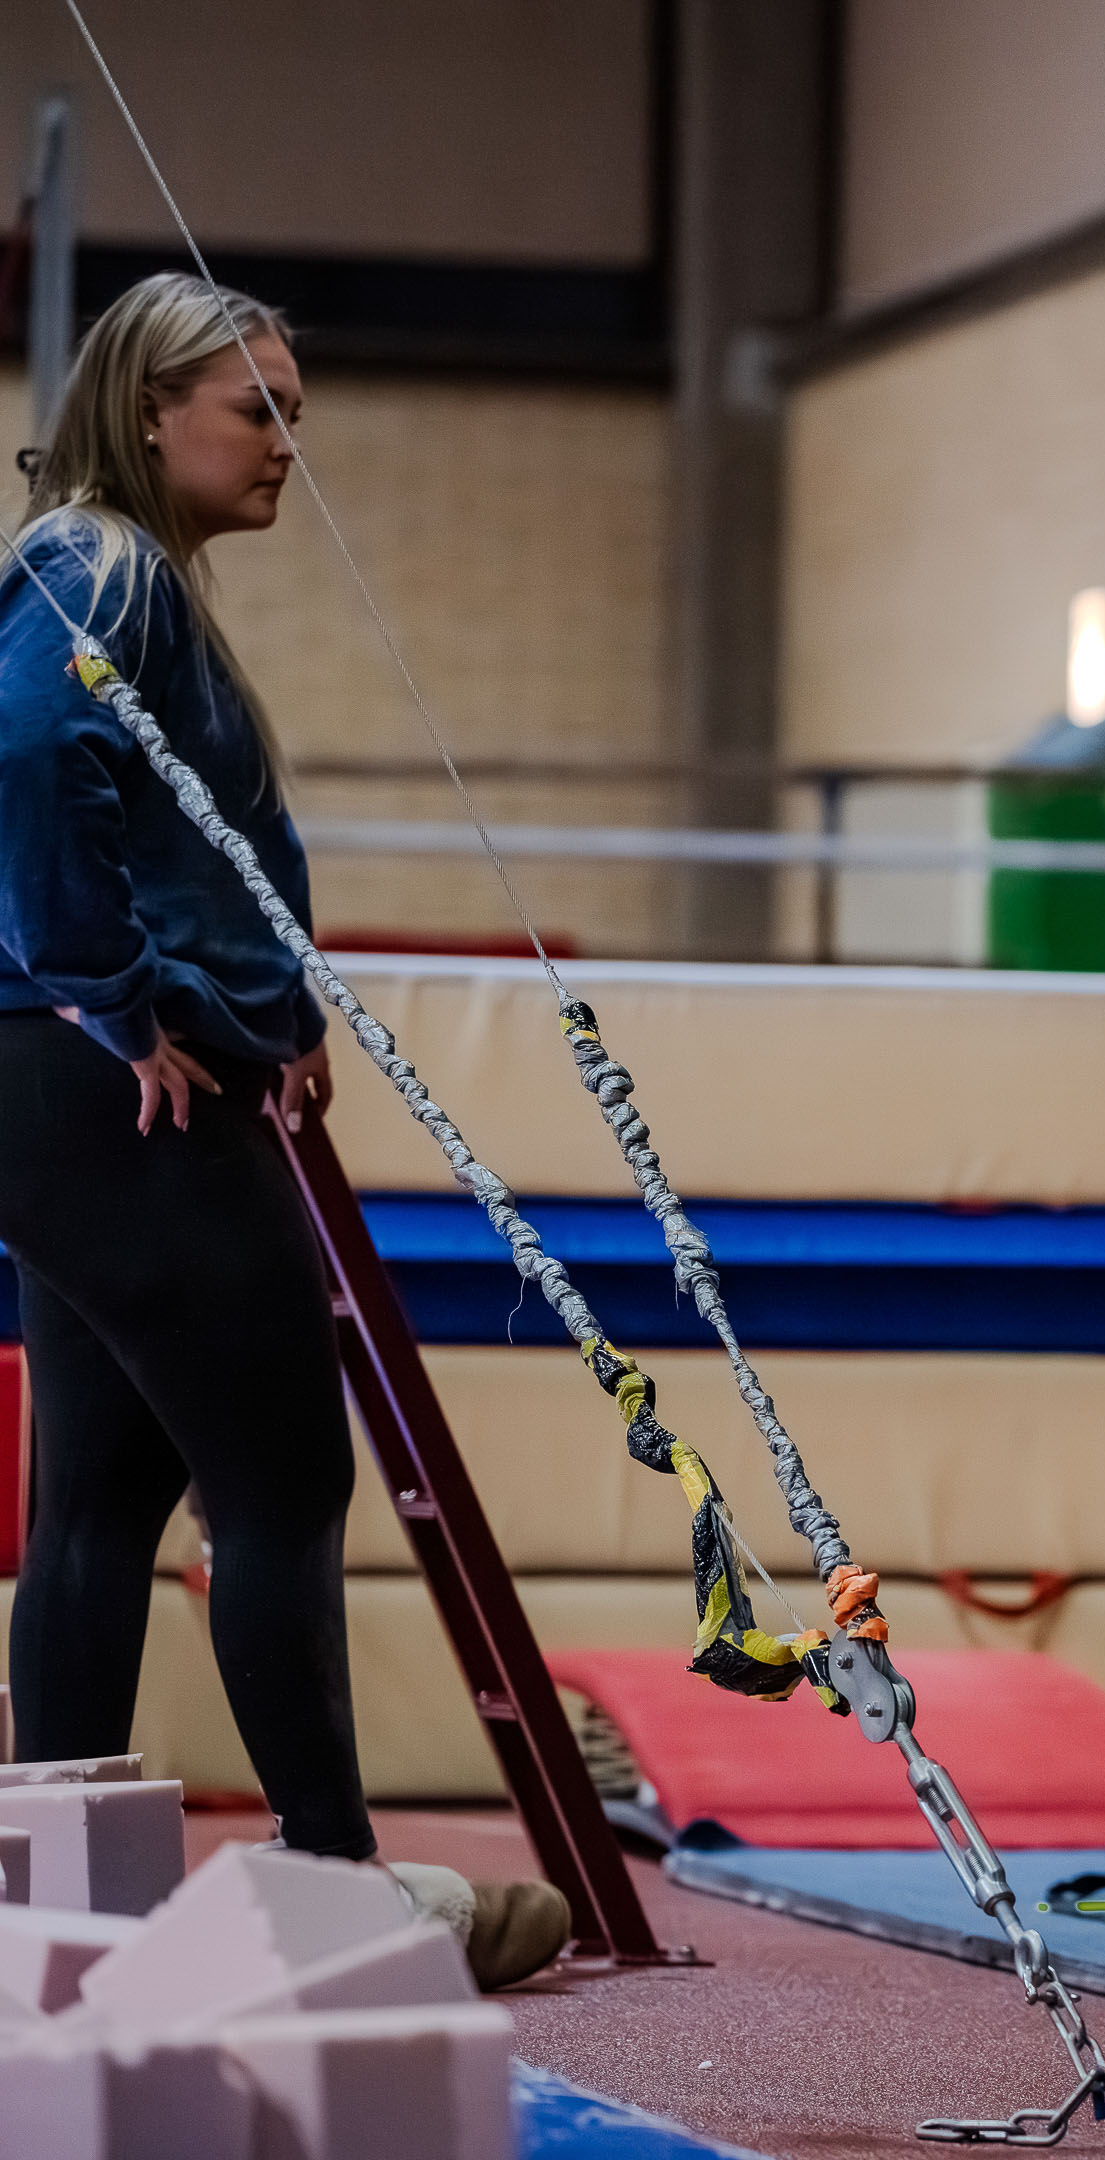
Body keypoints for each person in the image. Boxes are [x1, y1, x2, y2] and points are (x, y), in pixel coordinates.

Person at [0, 273, 568, 1989]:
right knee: (285, 1479)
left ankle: (51, 1903)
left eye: (296, 416)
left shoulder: (116, 570)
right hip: (104, 1083)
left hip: (63, 1089)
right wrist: (123, 999)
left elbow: (173, 839)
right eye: (259, 412)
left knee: (101, 1494)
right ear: (150, 407)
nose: (286, 449)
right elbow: (24, 756)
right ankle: (335, 1888)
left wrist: (275, 1007)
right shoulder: (96, 561)